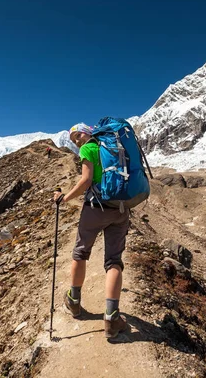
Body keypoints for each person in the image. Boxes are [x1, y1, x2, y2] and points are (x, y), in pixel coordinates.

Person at [53, 123, 129, 339]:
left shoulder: (88, 148)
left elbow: (86, 180)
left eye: (78, 135)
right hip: (120, 209)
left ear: (88, 132)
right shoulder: (115, 147)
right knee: (114, 261)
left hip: (95, 209)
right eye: (74, 138)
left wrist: (64, 198)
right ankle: (112, 317)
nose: (77, 140)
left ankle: (74, 302)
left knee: (80, 252)